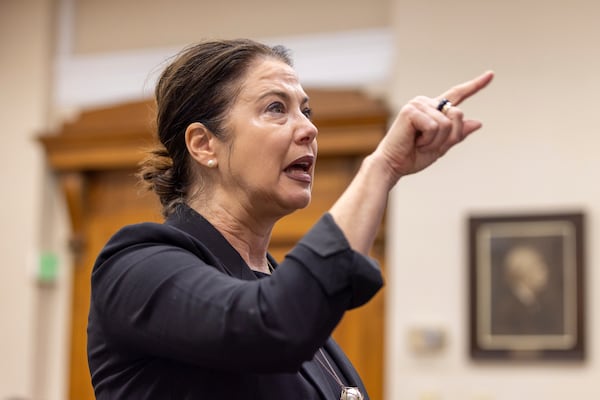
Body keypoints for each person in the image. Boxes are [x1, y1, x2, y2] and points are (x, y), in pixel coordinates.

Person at [87, 39, 494, 399]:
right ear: (203, 144)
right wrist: (382, 167)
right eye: (276, 108)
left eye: (306, 110)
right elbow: (270, 326)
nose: (309, 129)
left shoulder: (273, 280)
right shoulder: (135, 265)